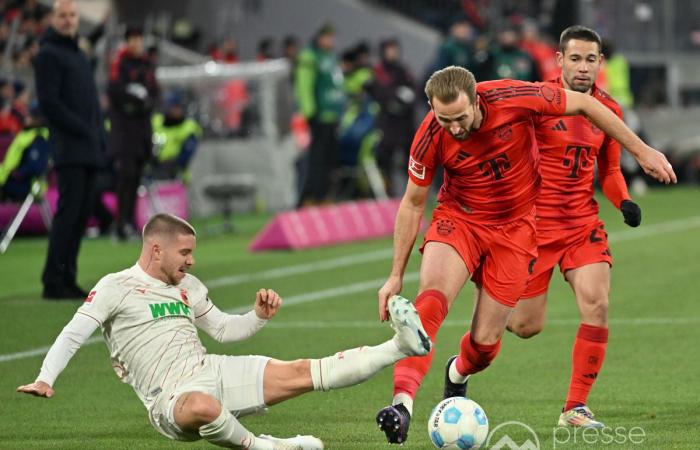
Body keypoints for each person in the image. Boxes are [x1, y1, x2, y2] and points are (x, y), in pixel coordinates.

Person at [373, 65, 676, 444]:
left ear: (477, 101)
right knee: (430, 302)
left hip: (516, 230)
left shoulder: (514, 97)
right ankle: (402, 406)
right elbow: (413, 204)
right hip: (460, 220)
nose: (453, 127)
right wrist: (395, 275)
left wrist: (641, 149)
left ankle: (458, 372)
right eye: (443, 117)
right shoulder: (430, 134)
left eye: (460, 118)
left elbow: (585, 104)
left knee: (486, 347)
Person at [17, 213, 432, 450]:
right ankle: (268, 448)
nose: (192, 261)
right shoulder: (115, 287)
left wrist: (258, 317)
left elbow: (225, 330)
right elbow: (74, 332)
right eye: (185, 252)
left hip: (211, 369)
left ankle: (398, 345)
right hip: (170, 398)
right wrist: (45, 378)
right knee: (202, 407)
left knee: (305, 371)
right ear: (155, 249)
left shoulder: (188, 287)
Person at [505, 25, 641, 429]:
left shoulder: (610, 111)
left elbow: (611, 171)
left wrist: (624, 201)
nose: (583, 67)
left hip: (582, 224)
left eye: (591, 59)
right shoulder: (536, 101)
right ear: (560, 60)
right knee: (524, 326)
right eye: (575, 58)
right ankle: (461, 364)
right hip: (535, 229)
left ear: (601, 63)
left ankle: (574, 408)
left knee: (597, 305)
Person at [35, 0, 103, 300]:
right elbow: (50, 103)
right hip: (69, 145)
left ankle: (68, 277)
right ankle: (53, 279)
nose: (68, 20)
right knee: (68, 213)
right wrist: (83, 128)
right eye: (62, 15)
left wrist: (97, 135)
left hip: (88, 145)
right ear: (53, 18)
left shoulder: (79, 54)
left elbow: (90, 104)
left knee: (81, 213)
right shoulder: (48, 55)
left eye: (72, 15)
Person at [108, 25, 159, 241]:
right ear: (127, 41)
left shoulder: (147, 64)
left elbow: (155, 93)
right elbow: (115, 92)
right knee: (125, 176)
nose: (136, 43)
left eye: (139, 38)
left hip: (142, 129)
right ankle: (121, 224)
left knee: (136, 176)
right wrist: (136, 98)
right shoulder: (120, 63)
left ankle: (130, 222)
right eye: (133, 39)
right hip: (125, 130)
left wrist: (144, 100)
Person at [294, 23, 344, 206]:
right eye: (328, 37)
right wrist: (309, 112)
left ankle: (324, 195)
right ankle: (311, 197)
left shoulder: (331, 56)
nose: (332, 41)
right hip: (317, 116)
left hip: (332, 116)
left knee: (329, 159)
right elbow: (304, 85)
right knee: (316, 159)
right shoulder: (310, 56)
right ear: (320, 37)